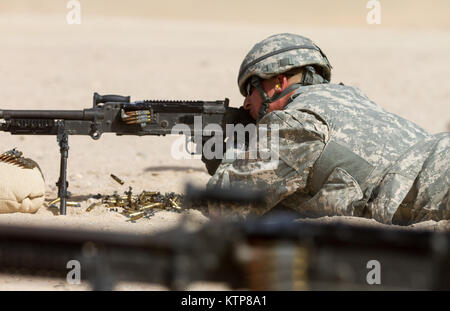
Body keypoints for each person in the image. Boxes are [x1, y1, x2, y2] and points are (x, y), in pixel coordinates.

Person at [203, 33, 450, 225]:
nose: (246, 103)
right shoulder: (353, 98)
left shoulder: (292, 123)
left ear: (278, 82)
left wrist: (231, 147)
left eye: (250, 90)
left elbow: (225, 206)